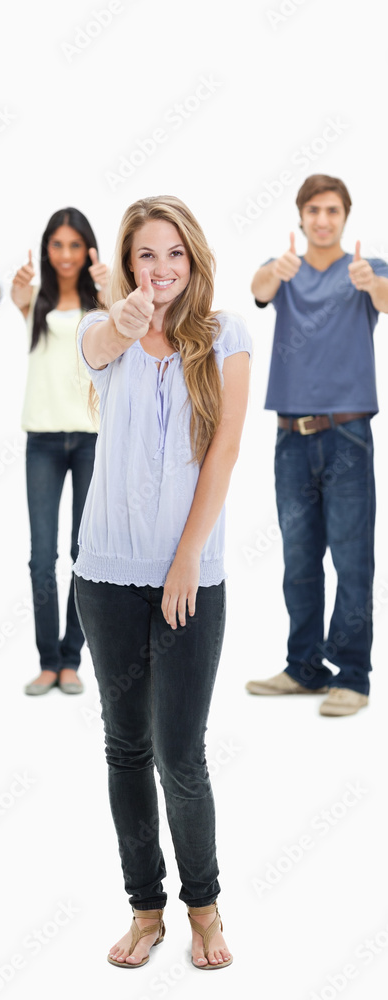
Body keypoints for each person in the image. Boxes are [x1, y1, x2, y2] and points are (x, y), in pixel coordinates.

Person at [73, 195, 251, 969]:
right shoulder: (100, 333)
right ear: (126, 263)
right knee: (124, 748)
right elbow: (104, 337)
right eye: (146, 255)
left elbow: (224, 452)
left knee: (181, 753)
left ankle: (203, 910)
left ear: (194, 257)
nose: (162, 268)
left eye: (174, 253)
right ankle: (145, 911)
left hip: (190, 577)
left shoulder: (224, 335)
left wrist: (186, 559)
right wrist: (128, 311)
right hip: (105, 576)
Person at [245, 175, 388, 717]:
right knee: (298, 559)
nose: (322, 219)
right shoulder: (283, 269)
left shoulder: (367, 269)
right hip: (290, 439)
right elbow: (257, 289)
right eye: (313, 210)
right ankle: (304, 667)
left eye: (331, 210)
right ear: (300, 216)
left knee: (353, 560)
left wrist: (371, 285)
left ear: (345, 215)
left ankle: (352, 675)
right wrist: (271, 273)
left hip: (348, 436)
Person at [11, 208, 108, 696]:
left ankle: (73, 659)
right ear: (47, 248)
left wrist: (108, 285)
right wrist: (13, 282)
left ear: (87, 248)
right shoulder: (33, 298)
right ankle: (48, 661)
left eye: (75, 245)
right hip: (43, 440)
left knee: (82, 552)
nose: (66, 255)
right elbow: (5, 296)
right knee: (40, 555)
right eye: (58, 245)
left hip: (92, 439)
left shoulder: (103, 304)